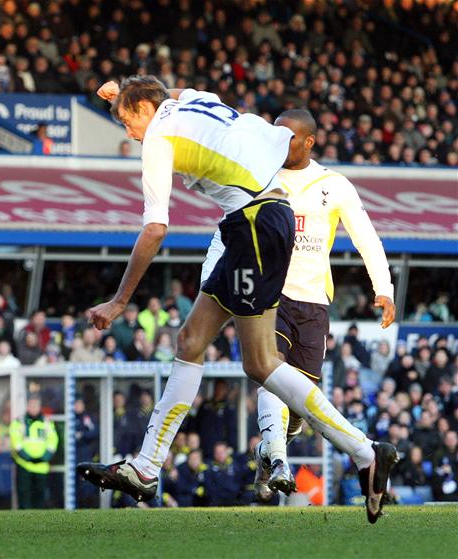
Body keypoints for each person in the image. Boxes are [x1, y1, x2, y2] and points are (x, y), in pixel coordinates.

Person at [77, 77, 396, 524]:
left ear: (146, 110)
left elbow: (154, 229)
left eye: (129, 122)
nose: (129, 134)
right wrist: (124, 97)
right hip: (251, 225)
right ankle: (146, 468)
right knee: (190, 341)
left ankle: (366, 453)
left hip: (255, 226)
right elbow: (170, 95)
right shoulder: (189, 102)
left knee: (260, 364)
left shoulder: (158, 139)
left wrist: (118, 301)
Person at [251, 109, 396, 502]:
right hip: (271, 294)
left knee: (299, 403)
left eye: (289, 138)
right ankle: (278, 459)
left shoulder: (334, 185)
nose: (279, 144)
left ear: (309, 141)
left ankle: (269, 450)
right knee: (270, 370)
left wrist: (384, 288)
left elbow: (366, 237)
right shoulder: (260, 176)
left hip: (314, 302)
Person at [10, 395, 58, 509]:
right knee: (24, 495)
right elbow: (16, 441)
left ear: (40, 407)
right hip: (24, 465)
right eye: (31, 405)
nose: (33, 408)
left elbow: (53, 440)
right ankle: (24, 521)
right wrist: (26, 457)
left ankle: (38, 519)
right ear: (27, 406)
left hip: (41, 466)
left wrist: (45, 457)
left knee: (40, 495)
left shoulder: (47, 422)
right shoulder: (19, 422)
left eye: (36, 405)